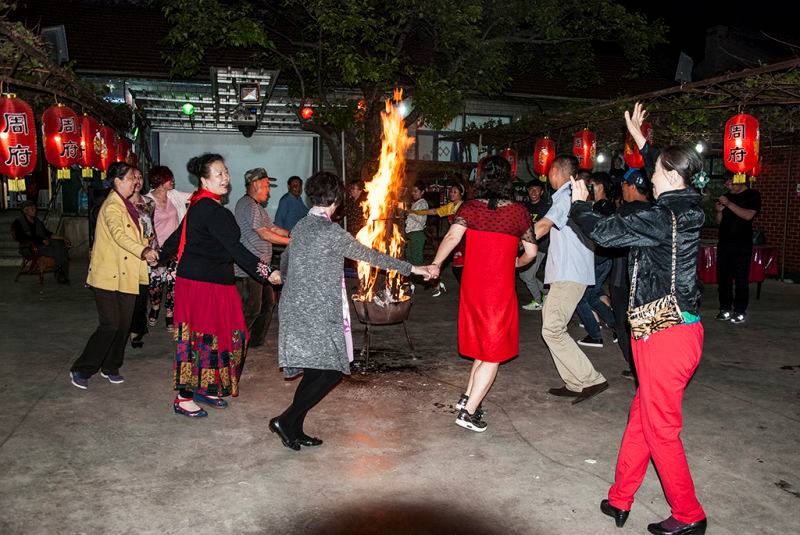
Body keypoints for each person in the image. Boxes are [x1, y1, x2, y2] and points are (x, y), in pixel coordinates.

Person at [572, 102, 707, 535]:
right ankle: (620, 498)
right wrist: (643, 142)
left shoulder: (661, 216)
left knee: (661, 428)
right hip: (663, 328)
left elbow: (605, 233)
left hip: (666, 333)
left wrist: (580, 205)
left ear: (672, 177)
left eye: (655, 170)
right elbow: (664, 172)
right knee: (643, 416)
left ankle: (689, 515)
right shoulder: (684, 203)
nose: (647, 176)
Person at [271, 171, 431, 450]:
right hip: (315, 311)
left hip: (295, 306)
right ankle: (287, 420)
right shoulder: (331, 232)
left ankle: (293, 426)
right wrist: (413, 268)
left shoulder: (301, 226)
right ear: (336, 200)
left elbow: (286, 259)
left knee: (316, 370)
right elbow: (371, 255)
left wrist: (282, 278)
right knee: (331, 371)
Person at [159, 154, 280, 417]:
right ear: (204, 180)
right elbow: (236, 249)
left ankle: (206, 386)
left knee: (223, 337)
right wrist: (266, 271)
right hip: (202, 286)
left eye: (225, 172)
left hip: (215, 283)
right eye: (218, 174)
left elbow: (180, 235)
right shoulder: (209, 209)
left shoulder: (202, 206)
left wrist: (158, 252)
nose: (226, 178)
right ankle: (184, 397)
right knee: (200, 340)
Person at [430, 156, 538, 432]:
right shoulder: (518, 212)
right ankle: (468, 412)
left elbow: (452, 238)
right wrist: (513, 263)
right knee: (493, 352)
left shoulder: (470, 207)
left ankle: (468, 397)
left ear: (481, 178)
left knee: (482, 344)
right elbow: (531, 253)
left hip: (472, 285)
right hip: (498, 287)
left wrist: (435, 265)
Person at [70, 162, 159, 390]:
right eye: (131, 178)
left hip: (126, 273)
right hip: (107, 275)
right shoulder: (112, 206)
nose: (135, 182)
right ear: (118, 181)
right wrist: (144, 251)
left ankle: (111, 367)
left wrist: (149, 248)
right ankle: (82, 368)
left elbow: (136, 235)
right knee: (110, 324)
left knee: (123, 324)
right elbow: (119, 236)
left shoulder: (129, 205)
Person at [534, 156, 608, 404]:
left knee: (552, 329)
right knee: (553, 328)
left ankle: (591, 379)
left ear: (556, 171)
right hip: (569, 273)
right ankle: (576, 382)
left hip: (569, 274)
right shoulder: (573, 196)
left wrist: (511, 239)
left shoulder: (565, 196)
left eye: (549, 172)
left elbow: (543, 226)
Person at [234, 167, 289, 353]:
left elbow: (272, 228)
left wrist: (294, 234)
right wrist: (291, 242)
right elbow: (265, 234)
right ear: (255, 184)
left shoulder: (256, 207)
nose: (268, 190)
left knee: (268, 303)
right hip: (251, 268)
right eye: (266, 185)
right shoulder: (249, 206)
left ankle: (255, 341)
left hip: (262, 267)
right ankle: (235, 341)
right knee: (252, 307)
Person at [609, 168, 652, 378]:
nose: (622, 190)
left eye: (623, 185)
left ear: (632, 186)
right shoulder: (655, 211)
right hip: (648, 282)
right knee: (644, 325)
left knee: (623, 323)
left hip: (624, 277)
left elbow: (606, 237)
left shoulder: (625, 212)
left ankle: (636, 367)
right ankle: (646, 367)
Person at [144, 165, 191, 331]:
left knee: (173, 283)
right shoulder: (146, 201)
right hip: (156, 251)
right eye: (169, 178)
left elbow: (194, 197)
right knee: (155, 286)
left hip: (174, 250)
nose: (173, 181)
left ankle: (170, 313)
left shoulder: (174, 195)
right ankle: (155, 308)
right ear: (161, 181)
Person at [576, 171, 618, 347]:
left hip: (598, 259)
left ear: (599, 186)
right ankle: (617, 327)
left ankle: (594, 334)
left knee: (579, 298)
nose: (588, 187)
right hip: (604, 259)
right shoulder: (605, 206)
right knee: (593, 297)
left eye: (591, 184)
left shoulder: (602, 207)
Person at [715, 177, 761, 324]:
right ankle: (725, 308)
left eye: (729, 182)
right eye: (726, 182)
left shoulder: (753, 195)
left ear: (740, 180)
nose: (727, 185)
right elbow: (719, 222)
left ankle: (740, 311)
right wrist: (718, 211)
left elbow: (748, 215)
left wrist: (729, 204)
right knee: (723, 279)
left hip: (742, 245)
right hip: (724, 243)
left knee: (741, 279)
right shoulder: (726, 196)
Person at [410, 181, 465, 296]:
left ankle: (467, 289)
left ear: (461, 194)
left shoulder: (464, 207)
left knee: (460, 267)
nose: (452, 194)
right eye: (451, 192)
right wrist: (416, 212)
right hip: (456, 239)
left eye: (455, 192)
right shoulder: (451, 206)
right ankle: (464, 288)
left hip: (464, 239)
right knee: (457, 267)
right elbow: (435, 211)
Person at [12, 200, 71, 283]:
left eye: (34, 208)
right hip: (30, 248)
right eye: (32, 209)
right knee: (58, 250)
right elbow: (22, 237)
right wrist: (41, 240)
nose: (35, 210)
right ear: (25, 211)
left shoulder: (37, 221)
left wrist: (62, 238)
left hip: (42, 245)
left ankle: (62, 274)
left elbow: (47, 233)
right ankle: (60, 274)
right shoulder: (19, 222)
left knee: (61, 246)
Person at [128, 168, 155, 348]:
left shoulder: (148, 202)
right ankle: (126, 330)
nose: (138, 180)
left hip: (146, 249)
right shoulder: (120, 203)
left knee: (142, 294)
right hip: (128, 251)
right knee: (128, 295)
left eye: (140, 177)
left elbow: (151, 226)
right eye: (133, 177)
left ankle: (136, 331)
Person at [519, 181, 550, 311]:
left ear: (541, 192)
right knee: (524, 275)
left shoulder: (545, 207)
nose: (533, 192)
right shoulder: (525, 207)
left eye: (537, 190)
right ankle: (547, 292)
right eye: (531, 189)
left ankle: (538, 301)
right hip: (526, 245)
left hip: (541, 246)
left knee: (527, 275)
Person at [404, 182, 428, 268]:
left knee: (417, 260)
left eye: (416, 191)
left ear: (422, 192)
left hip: (417, 234)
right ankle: (412, 280)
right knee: (410, 258)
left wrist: (409, 212)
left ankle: (420, 279)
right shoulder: (415, 203)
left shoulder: (423, 203)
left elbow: (421, 219)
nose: (413, 193)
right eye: (412, 191)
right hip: (411, 234)